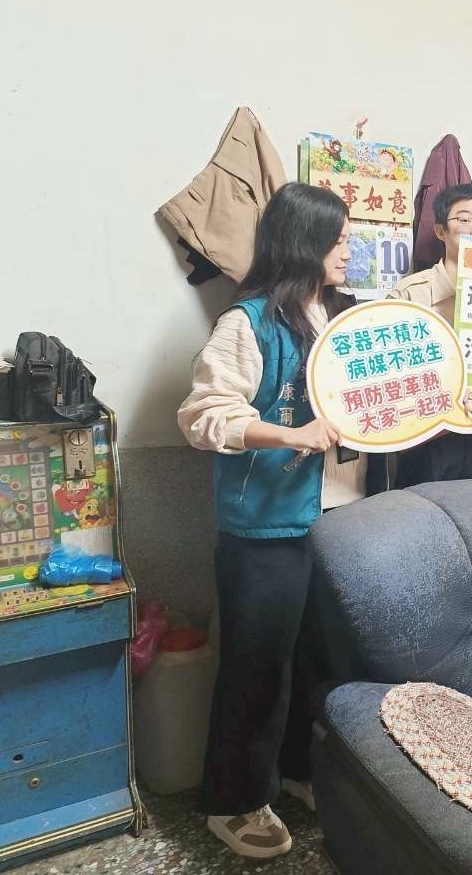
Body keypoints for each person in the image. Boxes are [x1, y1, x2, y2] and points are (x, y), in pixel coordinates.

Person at [178, 182, 367, 858]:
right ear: (303, 243)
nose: (348, 252)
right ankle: (232, 801)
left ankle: (291, 771)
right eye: (338, 240)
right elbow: (203, 417)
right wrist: (289, 435)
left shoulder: (342, 316)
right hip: (264, 527)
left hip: (336, 518)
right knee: (257, 665)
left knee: (314, 656)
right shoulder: (248, 322)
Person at [381, 183, 472, 488]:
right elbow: (387, 371)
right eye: (465, 219)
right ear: (440, 231)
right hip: (426, 429)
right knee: (419, 511)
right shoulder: (410, 294)